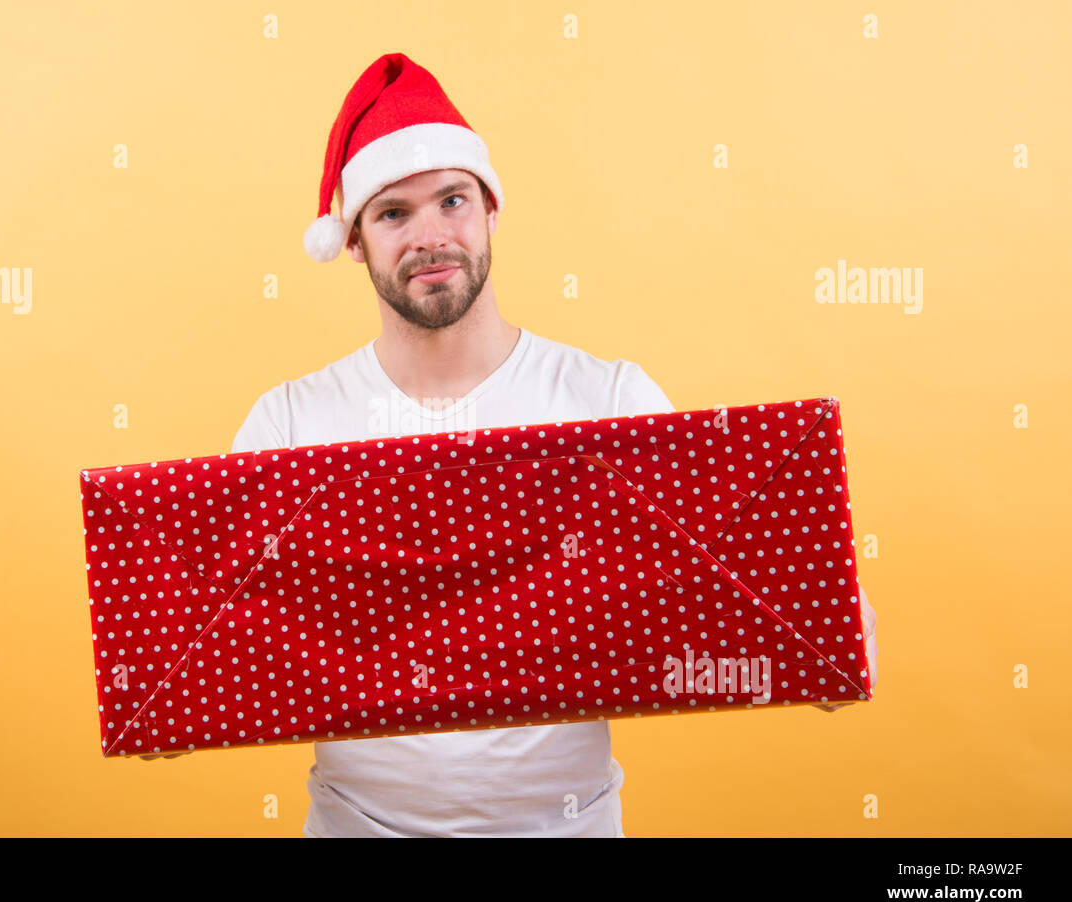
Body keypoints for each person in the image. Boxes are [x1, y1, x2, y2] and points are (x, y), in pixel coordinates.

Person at [219, 53, 878, 836]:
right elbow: (220, 645)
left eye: (452, 201)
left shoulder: (608, 404)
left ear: (491, 209)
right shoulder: (289, 425)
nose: (430, 236)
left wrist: (826, 639)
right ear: (354, 241)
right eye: (393, 213)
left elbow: (790, 615)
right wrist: (170, 693)